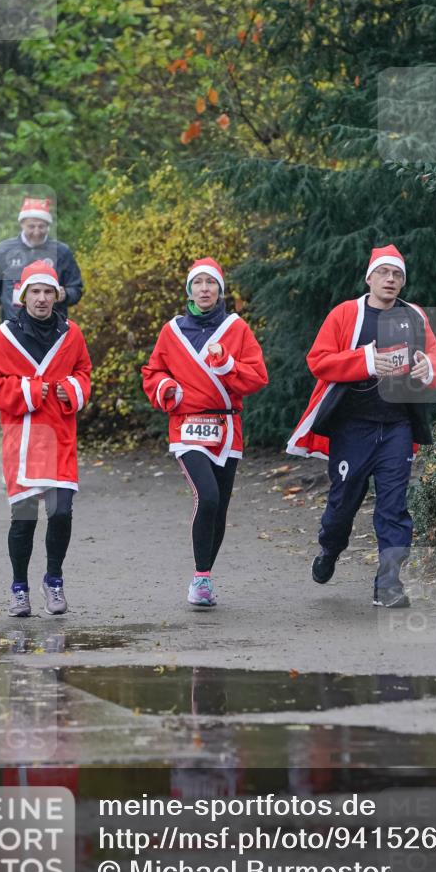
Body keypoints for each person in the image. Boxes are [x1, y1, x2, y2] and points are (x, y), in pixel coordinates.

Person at [287, 244, 436, 608]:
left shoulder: (415, 316)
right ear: (369, 277)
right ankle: (329, 550)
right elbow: (319, 361)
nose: (391, 280)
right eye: (384, 273)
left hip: (397, 428)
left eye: (398, 275)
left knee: (394, 507)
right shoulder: (346, 314)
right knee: (343, 506)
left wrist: (429, 368)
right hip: (353, 427)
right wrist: (368, 361)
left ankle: (388, 584)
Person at [142, 257, 268, 609]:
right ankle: (199, 579)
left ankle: (206, 577)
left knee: (221, 506)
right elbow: (152, 372)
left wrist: (227, 364)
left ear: (220, 290)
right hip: (187, 426)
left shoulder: (236, 328)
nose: (204, 289)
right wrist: (168, 388)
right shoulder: (172, 330)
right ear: (189, 290)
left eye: (210, 283)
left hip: (227, 428)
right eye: (198, 283)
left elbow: (258, 376)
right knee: (208, 497)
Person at [0, 261, 92, 617]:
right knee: (24, 518)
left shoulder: (72, 334)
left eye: (48, 292)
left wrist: (71, 389)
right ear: (23, 296)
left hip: (60, 435)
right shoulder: (3, 336)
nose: (42, 299)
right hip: (22, 439)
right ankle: (19, 588)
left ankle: (54, 580)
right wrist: (31, 389)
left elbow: (83, 372)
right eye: (35, 292)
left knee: (61, 513)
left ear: (57, 296)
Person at [0, 197, 83, 322]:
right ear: (22, 224)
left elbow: (76, 289)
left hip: (52, 327)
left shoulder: (62, 251)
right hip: (13, 326)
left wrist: (66, 295)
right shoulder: (5, 249)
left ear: (48, 226)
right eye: (31, 226)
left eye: (41, 227)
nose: (36, 232)